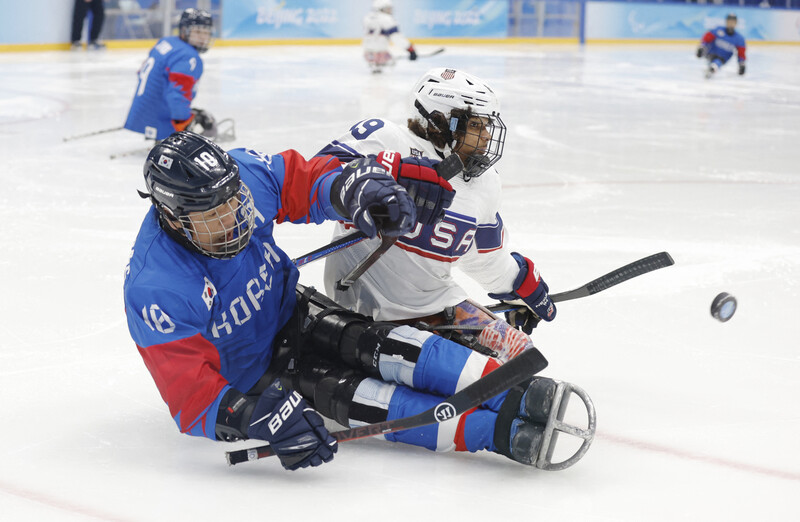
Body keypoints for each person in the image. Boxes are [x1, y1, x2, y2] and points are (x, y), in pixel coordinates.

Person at [124, 131, 591, 471]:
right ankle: (502, 435)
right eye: (214, 214)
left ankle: (515, 390)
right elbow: (188, 394)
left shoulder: (240, 177)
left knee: (395, 346)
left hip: (296, 313)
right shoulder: (157, 287)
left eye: (233, 201)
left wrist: (359, 193)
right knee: (380, 404)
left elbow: (303, 183)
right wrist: (252, 416)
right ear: (172, 214)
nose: (235, 216)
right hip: (259, 378)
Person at [318, 68, 557, 339]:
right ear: (439, 121)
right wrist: (389, 174)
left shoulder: (486, 183)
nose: (487, 137)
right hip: (356, 311)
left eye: (487, 126)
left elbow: (483, 257)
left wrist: (521, 283)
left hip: (434, 310)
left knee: (518, 355)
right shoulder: (387, 138)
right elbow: (317, 175)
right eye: (477, 126)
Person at [123, 8, 217, 141]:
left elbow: (142, 73)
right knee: (208, 124)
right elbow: (178, 95)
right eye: (197, 32)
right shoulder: (189, 57)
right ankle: (163, 133)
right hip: (159, 121)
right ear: (184, 31)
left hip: (140, 112)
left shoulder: (167, 41)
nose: (202, 37)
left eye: (206, 32)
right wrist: (182, 123)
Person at [362, 0, 417, 73]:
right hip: (380, 52)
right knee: (391, 63)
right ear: (380, 8)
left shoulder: (367, 17)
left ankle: (374, 66)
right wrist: (410, 49)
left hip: (367, 52)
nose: (389, 11)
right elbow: (397, 37)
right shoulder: (387, 19)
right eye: (387, 8)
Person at [696, 13, 747, 79]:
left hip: (723, 58)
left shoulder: (739, 39)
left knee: (718, 61)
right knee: (712, 60)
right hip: (710, 53)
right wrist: (702, 47)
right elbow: (707, 38)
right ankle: (712, 68)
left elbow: (741, 53)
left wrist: (741, 64)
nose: (731, 23)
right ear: (726, 22)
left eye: (733, 22)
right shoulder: (718, 30)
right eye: (729, 21)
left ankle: (712, 69)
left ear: (736, 23)